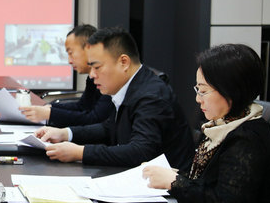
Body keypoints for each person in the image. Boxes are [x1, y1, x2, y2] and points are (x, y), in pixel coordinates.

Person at [144, 44, 270, 203]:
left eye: (204, 90)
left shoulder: (248, 138)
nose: (198, 98)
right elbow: (209, 182)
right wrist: (177, 176)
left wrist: (174, 182)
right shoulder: (222, 124)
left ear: (231, 90)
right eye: (197, 89)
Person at [36, 27, 194, 170]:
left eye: (97, 67)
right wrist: (65, 133)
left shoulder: (151, 96)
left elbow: (141, 151)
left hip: (166, 186)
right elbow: (109, 128)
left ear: (123, 62)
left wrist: (80, 152)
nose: (92, 75)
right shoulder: (130, 85)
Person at [20, 24, 114, 126]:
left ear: (88, 49)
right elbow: (82, 107)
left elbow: (94, 119)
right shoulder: (92, 77)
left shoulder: (109, 79)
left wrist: (50, 113)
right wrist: (50, 108)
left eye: (71, 53)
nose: (69, 61)